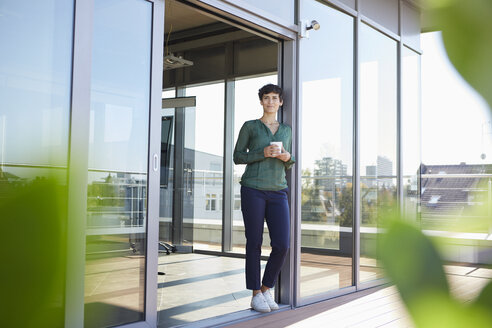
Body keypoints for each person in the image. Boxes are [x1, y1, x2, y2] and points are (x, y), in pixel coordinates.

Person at [233, 83, 295, 313]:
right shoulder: (250, 127)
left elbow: (289, 160)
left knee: (282, 244)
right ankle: (255, 294)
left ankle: (266, 287)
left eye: (274, 98)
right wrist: (262, 154)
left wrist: (288, 157)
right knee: (255, 242)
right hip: (253, 189)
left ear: (280, 102)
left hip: (279, 190)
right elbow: (237, 156)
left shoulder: (286, 130)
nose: (270, 102)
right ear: (261, 101)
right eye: (266, 98)